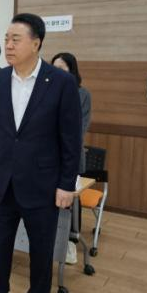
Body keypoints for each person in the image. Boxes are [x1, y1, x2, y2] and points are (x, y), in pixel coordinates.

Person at [0, 13, 81, 293]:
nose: (8, 45)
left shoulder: (61, 82)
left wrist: (67, 184)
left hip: (43, 184)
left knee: (40, 252)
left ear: (36, 43)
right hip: (2, 181)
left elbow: (71, 139)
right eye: (6, 39)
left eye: (15, 39)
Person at [52, 52, 91, 265]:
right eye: (54, 68)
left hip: (69, 157)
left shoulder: (82, 94)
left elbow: (78, 130)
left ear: (71, 71)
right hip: (46, 159)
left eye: (62, 68)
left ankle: (71, 242)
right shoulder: (46, 91)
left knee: (70, 201)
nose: (56, 72)